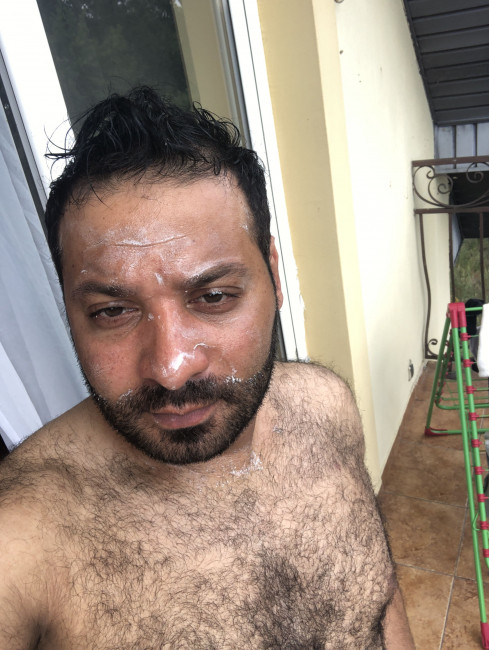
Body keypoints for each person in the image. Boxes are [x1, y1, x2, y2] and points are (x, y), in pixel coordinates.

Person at [0, 87, 413, 649]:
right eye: (113, 311)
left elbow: (378, 597)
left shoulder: (327, 407)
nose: (171, 369)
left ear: (273, 274)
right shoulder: (22, 537)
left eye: (213, 297)